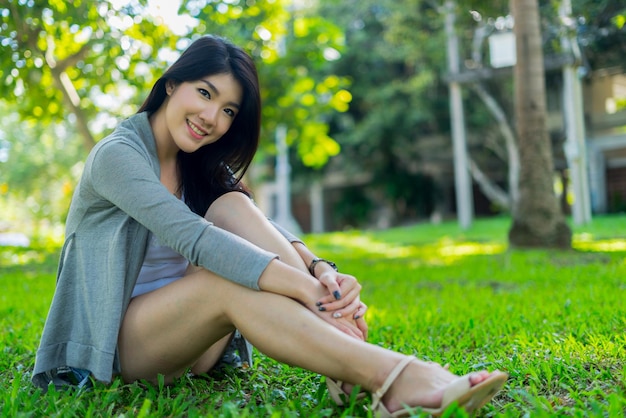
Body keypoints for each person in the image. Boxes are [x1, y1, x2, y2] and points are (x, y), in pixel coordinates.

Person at [32, 35, 507, 416]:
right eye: (204, 93)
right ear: (171, 84)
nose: (211, 119)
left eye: (228, 111)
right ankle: (396, 375)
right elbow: (193, 239)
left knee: (234, 209)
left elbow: (264, 232)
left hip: (193, 345)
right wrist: (309, 293)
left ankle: (353, 370)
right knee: (226, 276)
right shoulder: (117, 155)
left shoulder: (198, 166)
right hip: (118, 347)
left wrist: (321, 270)